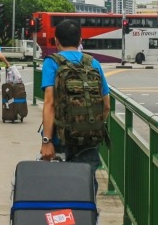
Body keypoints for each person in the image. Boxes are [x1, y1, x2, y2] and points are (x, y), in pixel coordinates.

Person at [39, 19, 110, 169]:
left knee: (61, 183)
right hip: (89, 140)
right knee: (86, 182)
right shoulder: (93, 63)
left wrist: (46, 141)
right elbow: (107, 106)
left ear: (56, 41)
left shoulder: (52, 63)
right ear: (80, 41)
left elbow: (49, 103)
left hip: (61, 139)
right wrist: (89, 126)